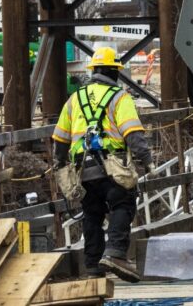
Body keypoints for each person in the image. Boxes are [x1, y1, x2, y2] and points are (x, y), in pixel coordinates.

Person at [52, 47, 152, 282]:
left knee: (92, 214)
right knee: (123, 204)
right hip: (113, 167)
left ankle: (93, 266)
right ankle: (116, 252)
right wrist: (147, 160)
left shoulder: (74, 99)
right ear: (113, 71)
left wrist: (59, 163)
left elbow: (60, 138)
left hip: (83, 171)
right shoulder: (119, 97)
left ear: (94, 71)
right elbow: (133, 133)